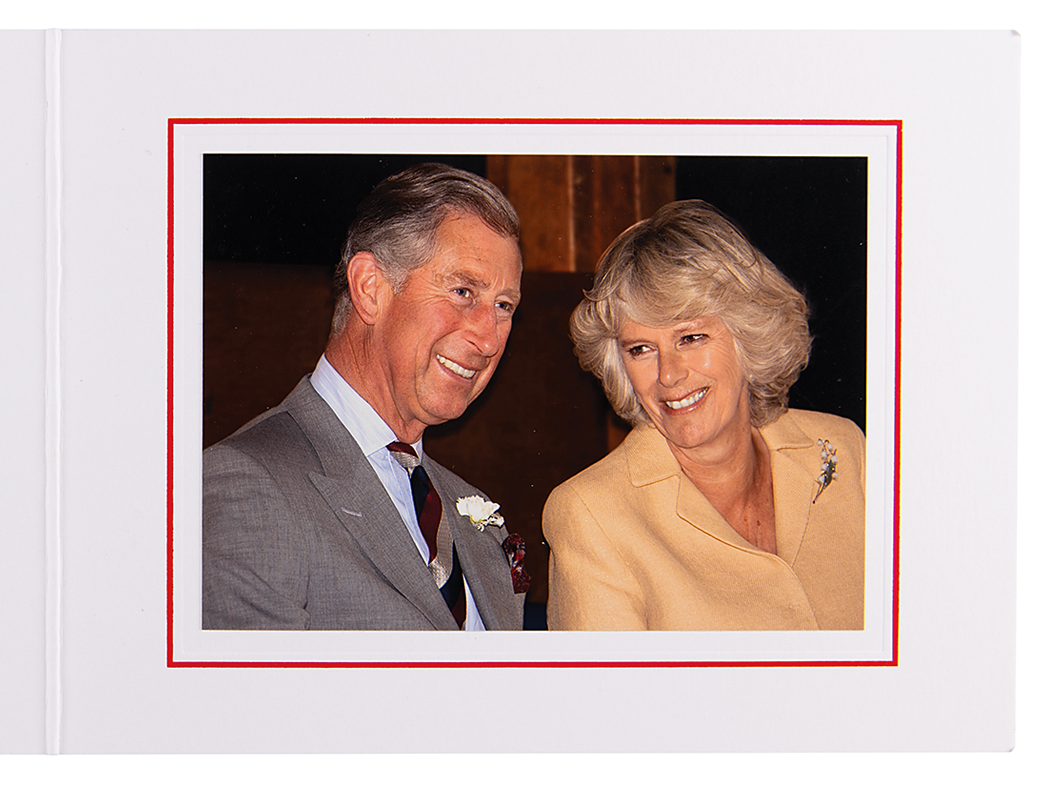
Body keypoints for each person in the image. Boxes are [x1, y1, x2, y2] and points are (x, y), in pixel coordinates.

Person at [203, 163, 529, 631]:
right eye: (462, 291)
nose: (489, 337)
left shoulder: (469, 509)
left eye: (503, 306)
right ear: (370, 289)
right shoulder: (248, 487)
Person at [545, 200, 865, 630]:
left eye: (691, 338)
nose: (669, 374)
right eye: (641, 349)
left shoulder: (844, 448)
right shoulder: (592, 514)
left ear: (748, 334)